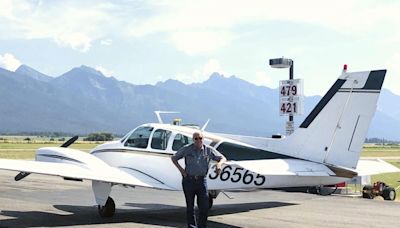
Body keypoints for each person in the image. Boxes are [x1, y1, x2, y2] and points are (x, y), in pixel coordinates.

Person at [171, 131, 226, 228]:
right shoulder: (187, 149)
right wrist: (182, 171)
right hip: (189, 180)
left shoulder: (208, 150)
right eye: (196, 138)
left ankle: (202, 226)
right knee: (190, 207)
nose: (198, 140)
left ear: (203, 139)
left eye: (200, 138)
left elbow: (222, 158)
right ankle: (192, 226)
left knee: (204, 207)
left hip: (201, 181)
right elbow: (174, 158)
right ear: (193, 140)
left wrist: (219, 164)